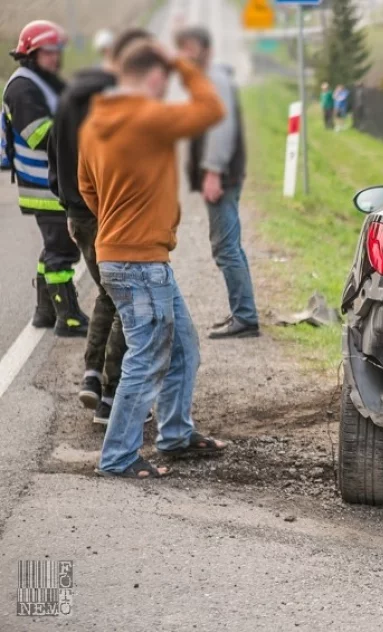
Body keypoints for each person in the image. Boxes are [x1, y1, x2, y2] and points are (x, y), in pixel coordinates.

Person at [77, 42, 226, 478]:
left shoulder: (93, 124)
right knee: (146, 358)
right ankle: (119, 456)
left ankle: (176, 433)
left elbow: (88, 190)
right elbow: (211, 108)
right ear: (155, 77)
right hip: (141, 262)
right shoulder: (150, 116)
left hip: (123, 256)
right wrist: (182, 62)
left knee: (182, 347)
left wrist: (122, 216)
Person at [48, 27, 152, 422]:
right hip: (106, 213)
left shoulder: (67, 97)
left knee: (110, 294)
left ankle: (92, 376)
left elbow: (52, 158)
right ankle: (112, 395)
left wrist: (68, 200)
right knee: (130, 298)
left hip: (77, 215)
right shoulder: (112, 101)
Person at [2, 20, 88, 337]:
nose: (55, 57)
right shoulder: (22, 88)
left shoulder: (44, 80)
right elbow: (39, 135)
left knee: (54, 247)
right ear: (31, 53)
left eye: (57, 51)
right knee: (63, 251)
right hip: (43, 185)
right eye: (48, 52)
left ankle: (44, 312)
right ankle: (69, 318)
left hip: (54, 182)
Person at [175, 26, 260, 339]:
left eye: (191, 47)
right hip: (222, 174)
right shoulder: (205, 79)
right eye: (182, 47)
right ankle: (243, 312)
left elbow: (220, 127)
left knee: (226, 248)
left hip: (221, 176)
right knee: (229, 245)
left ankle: (246, 318)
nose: (186, 54)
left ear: (206, 49)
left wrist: (212, 171)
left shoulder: (214, 79)